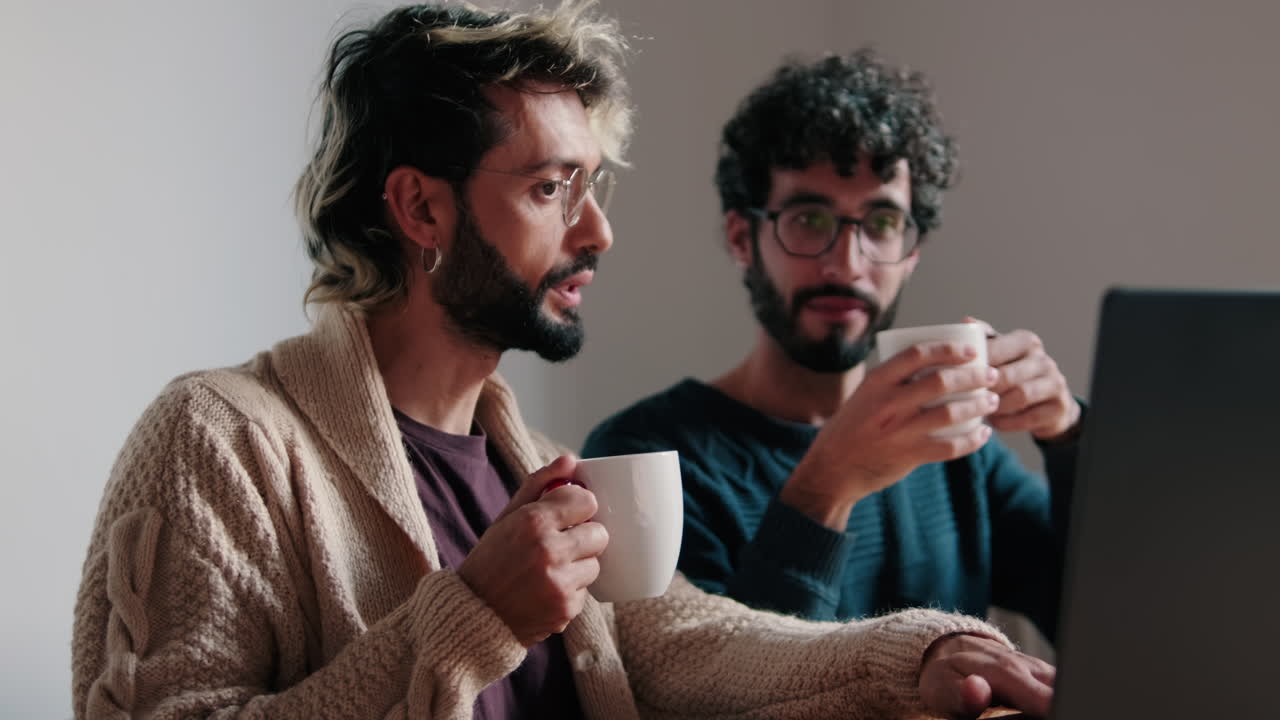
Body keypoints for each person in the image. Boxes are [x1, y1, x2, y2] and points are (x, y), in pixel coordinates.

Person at [72, 6, 1057, 719]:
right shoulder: (220, 437)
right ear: (421, 208)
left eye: (592, 188)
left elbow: (689, 643)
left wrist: (920, 654)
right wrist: (469, 616)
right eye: (552, 188)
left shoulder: (533, 461)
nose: (597, 233)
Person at [584, 50, 1082, 643]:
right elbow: (707, 683)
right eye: (809, 220)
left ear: (912, 252)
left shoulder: (954, 449)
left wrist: (1069, 436)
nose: (847, 264)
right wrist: (826, 489)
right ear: (742, 238)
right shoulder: (651, 461)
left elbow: (1102, 619)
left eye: (881, 224)